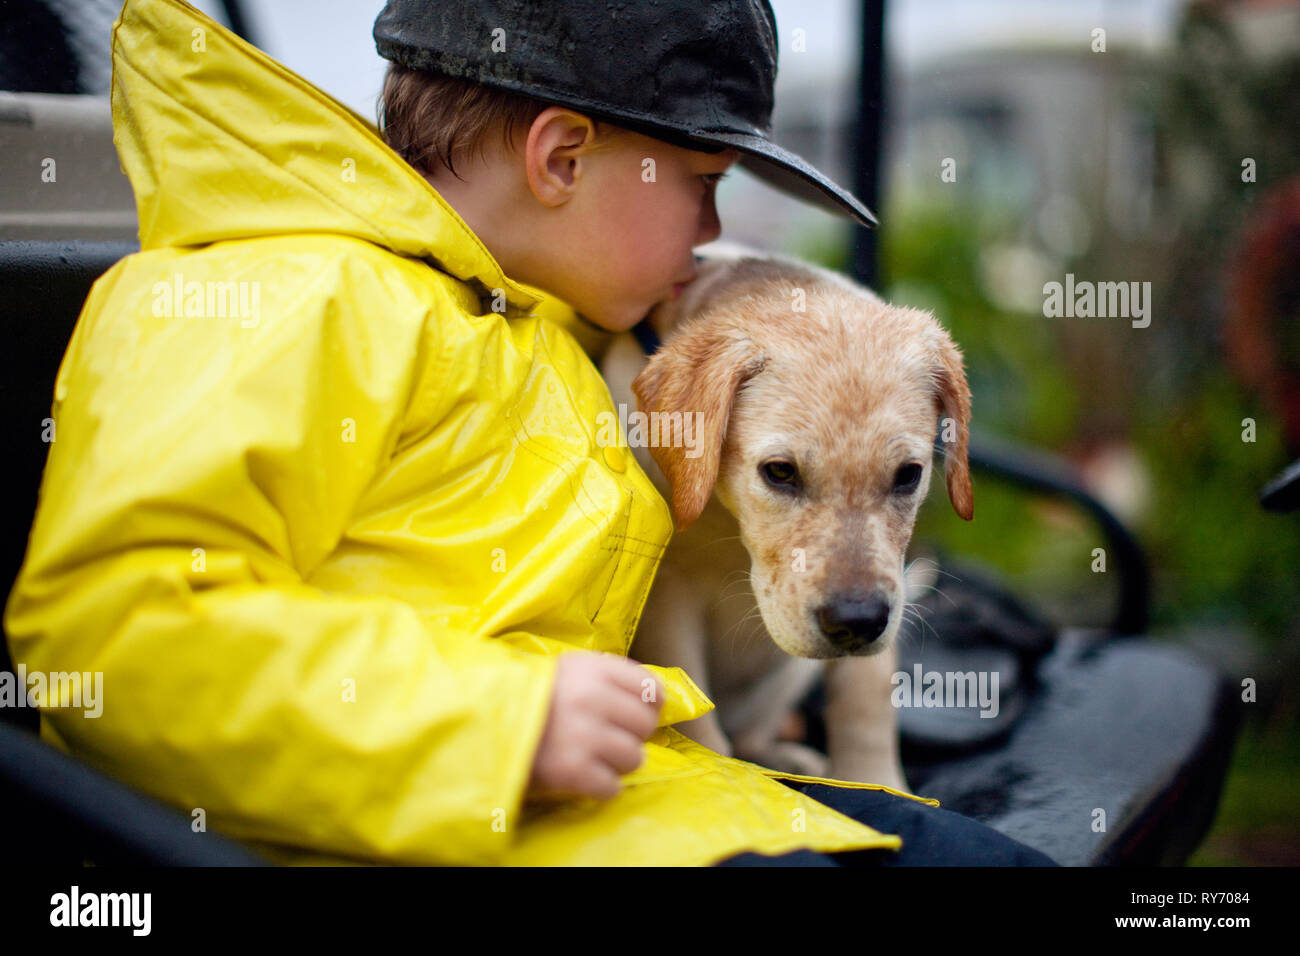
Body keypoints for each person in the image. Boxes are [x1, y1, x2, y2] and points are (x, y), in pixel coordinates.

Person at [3, 0, 1054, 866]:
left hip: (677, 805)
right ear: (560, 158)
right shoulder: (270, 297)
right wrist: (495, 724)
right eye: (700, 187)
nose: (708, 235)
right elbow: (110, 635)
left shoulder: (549, 325)